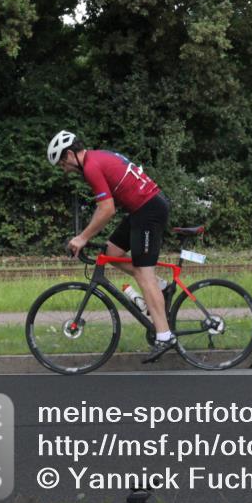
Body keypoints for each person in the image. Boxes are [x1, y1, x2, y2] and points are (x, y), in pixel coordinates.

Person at [47, 130, 175, 363]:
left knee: (143, 274)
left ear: (70, 154)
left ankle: (165, 336)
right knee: (112, 254)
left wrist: (82, 237)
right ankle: (160, 286)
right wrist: (84, 235)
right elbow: (105, 207)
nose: (63, 169)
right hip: (140, 210)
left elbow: (107, 209)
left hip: (149, 211)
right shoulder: (95, 159)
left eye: (62, 162)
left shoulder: (92, 167)